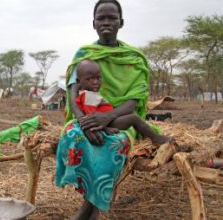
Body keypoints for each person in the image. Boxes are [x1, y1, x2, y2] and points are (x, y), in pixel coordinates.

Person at [55, 1, 172, 219]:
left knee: (115, 143)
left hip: (118, 118)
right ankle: (90, 204)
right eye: (101, 18)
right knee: (74, 136)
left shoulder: (133, 59)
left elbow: (133, 101)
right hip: (86, 117)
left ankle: (92, 207)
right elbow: (72, 94)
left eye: (112, 18)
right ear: (93, 23)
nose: (106, 22)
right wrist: (84, 121)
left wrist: (107, 117)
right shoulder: (84, 55)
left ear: (121, 22)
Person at [74, 59, 172, 146]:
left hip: (107, 119)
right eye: (89, 79)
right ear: (78, 81)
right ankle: (155, 138)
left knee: (131, 113)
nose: (95, 82)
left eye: (98, 78)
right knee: (134, 118)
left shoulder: (89, 93)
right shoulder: (88, 96)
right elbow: (91, 118)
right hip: (107, 123)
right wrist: (105, 129)